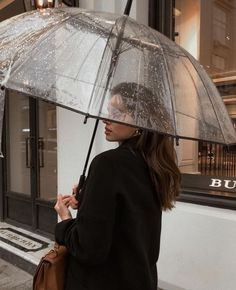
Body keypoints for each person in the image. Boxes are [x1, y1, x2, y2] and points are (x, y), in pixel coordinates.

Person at [54, 82, 181, 290]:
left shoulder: (108, 164)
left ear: (141, 122)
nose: (106, 118)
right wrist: (87, 200)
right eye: (108, 111)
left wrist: (65, 219)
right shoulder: (153, 165)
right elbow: (127, 219)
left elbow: (88, 249)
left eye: (118, 113)